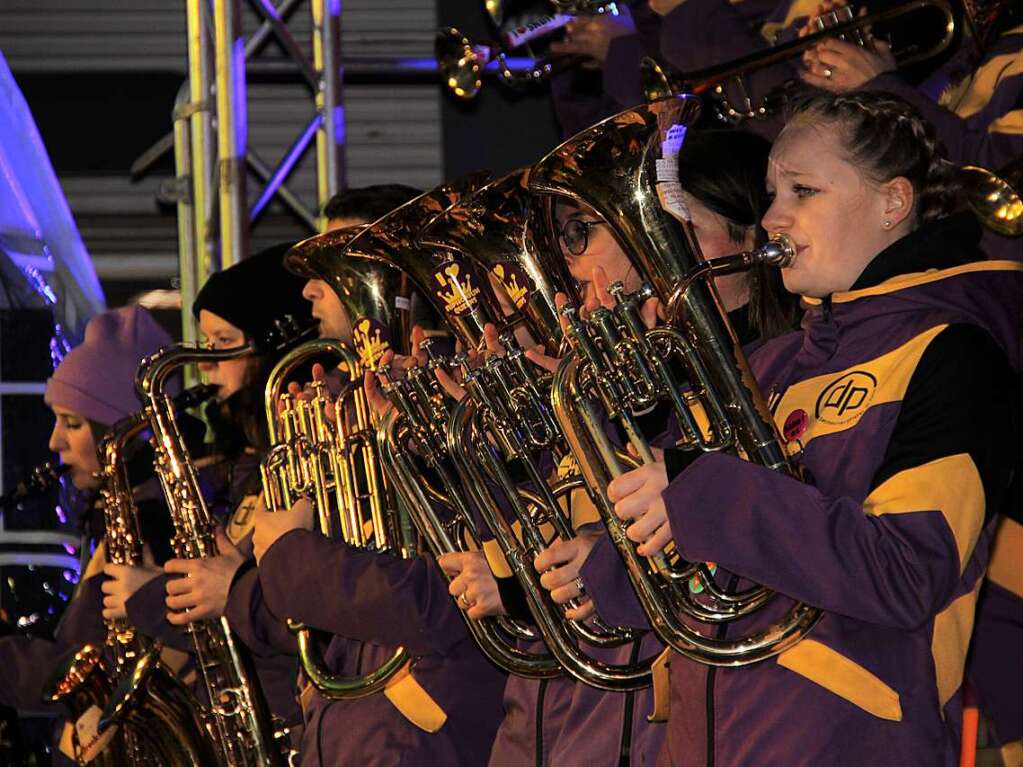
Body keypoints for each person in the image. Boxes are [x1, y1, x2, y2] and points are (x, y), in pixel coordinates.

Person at [599, 90, 1021, 765]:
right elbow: (674, 569)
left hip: (846, 741)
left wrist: (699, 493)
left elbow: (904, 572)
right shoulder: (767, 363)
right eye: (770, 191)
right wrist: (602, 552)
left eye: (802, 189)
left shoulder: (950, 353)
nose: (770, 216)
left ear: (893, 202)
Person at [435, 129, 798, 766]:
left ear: (750, 238)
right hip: (587, 725)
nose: (662, 258)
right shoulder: (638, 377)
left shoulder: (786, 372)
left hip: (728, 716)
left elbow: (749, 549)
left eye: (682, 231)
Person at [226, 185, 507, 766]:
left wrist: (286, 555)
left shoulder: (455, 408)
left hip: (423, 733)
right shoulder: (352, 406)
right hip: (363, 728)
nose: (309, 288)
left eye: (335, 260)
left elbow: (437, 596)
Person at [99, 244, 314, 747]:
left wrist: (149, 595)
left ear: (271, 346)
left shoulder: (290, 459)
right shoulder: (244, 458)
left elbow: (282, 614)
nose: (207, 364)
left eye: (224, 341)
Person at [0, 306, 176, 765]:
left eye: (73, 423)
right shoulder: (126, 517)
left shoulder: (153, 526)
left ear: (120, 432)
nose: (54, 442)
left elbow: (81, 663)